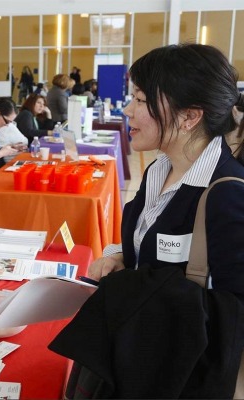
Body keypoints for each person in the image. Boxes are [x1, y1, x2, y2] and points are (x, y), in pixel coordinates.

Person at [54, 44, 244, 398]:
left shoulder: (226, 195)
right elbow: (148, 247)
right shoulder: (159, 170)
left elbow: (233, 315)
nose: (128, 110)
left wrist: (137, 288)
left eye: (141, 100)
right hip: (138, 358)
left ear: (189, 117)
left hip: (177, 377)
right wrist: (120, 256)